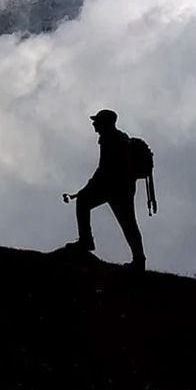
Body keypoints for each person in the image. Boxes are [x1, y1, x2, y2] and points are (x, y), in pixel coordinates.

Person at [63, 109, 146, 271]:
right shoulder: (116, 138)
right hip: (120, 187)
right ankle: (139, 259)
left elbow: (104, 168)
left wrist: (88, 187)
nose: (94, 124)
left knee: (126, 222)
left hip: (116, 188)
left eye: (97, 121)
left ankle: (86, 242)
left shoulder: (111, 139)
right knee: (128, 223)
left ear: (106, 123)